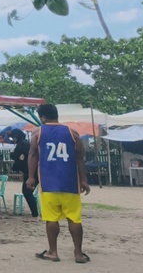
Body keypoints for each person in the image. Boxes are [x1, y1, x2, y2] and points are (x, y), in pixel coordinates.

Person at [29, 103, 90, 263]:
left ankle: (53, 252)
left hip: (49, 183)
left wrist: (31, 177)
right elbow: (79, 158)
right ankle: (78, 253)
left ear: (42, 117)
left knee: (51, 219)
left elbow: (33, 154)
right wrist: (83, 179)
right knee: (74, 218)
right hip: (70, 182)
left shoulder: (38, 132)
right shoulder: (72, 132)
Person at [10, 130, 39, 221]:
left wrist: (13, 154)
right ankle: (35, 213)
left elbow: (14, 155)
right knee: (28, 192)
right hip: (33, 170)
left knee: (27, 192)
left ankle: (35, 214)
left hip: (30, 171)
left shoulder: (21, 144)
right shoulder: (27, 143)